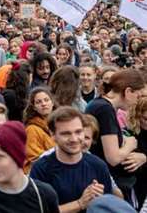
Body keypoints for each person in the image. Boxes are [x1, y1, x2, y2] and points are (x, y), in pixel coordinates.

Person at [30, 106, 113, 212]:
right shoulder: (41, 169)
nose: (74, 139)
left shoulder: (98, 165)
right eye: (66, 134)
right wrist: (80, 203)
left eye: (78, 132)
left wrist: (100, 201)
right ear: (52, 135)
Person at [86, 68, 146, 202]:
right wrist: (130, 145)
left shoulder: (101, 105)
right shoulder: (105, 110)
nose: (138, 101)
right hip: (110, 184)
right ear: (128, 91)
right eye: (138, 96)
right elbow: (113, 157)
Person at [23, 87, 56, 173]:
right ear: (34, 107)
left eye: (46, 100)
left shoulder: (59, 124)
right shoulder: (32, 129)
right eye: (38, 102)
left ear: (52, 102)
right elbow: (33, 157)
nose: (43, 104)